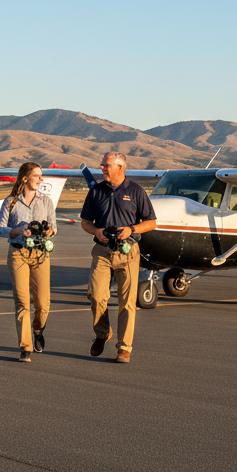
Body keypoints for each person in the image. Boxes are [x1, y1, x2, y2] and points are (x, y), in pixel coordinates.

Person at [79, 151, 157, 364]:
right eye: (103, 165)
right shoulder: (96, 191)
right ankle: (103, 332)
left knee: (127, 302)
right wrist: (96, 231)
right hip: (102, 251)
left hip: (128, 252)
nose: (102, 168)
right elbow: (85, 221)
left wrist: (131, 229)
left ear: (120, 167)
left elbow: (151, 222)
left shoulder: (136, 191)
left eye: (106, 165)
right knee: (96, 296)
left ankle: (124, 348)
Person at [0, 162, 56, 363]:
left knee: (43, 303)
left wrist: (48, 231)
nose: (41, 179)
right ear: (25, 178)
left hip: (40, 254)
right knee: (22, 302)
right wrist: (19, 230)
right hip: (18, 253)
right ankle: (25, 347)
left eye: (41, 176)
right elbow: (0, 229)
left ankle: (38, 330)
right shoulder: (11, 201)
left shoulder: (46, 201)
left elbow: (53, 226)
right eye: (37, 176)